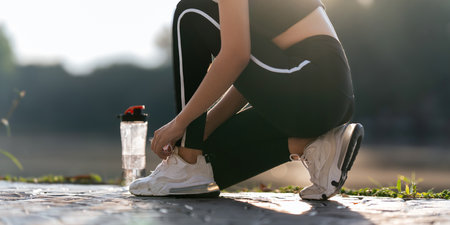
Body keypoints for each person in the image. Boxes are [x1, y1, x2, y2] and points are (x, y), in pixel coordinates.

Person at [129, 0, 364, 200]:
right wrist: (200, 131)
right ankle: (316, 147)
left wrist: (181, 124)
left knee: (190, 11)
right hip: (320, 95)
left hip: (311, 82)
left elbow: (235, 57)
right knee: (206, 167)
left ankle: (185, 162)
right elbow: (251, 76)